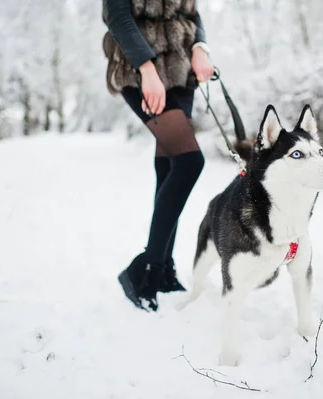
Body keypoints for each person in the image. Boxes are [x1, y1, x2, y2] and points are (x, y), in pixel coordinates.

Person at [102, 0, 215, 311]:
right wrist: (146, 67)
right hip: (139, 73)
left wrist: (200, 46)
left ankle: (163, 268)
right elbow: (117, 14)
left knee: (170, 166)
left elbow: (191, 12)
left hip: (180, 76)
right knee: (191, 162)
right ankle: (146, 269)